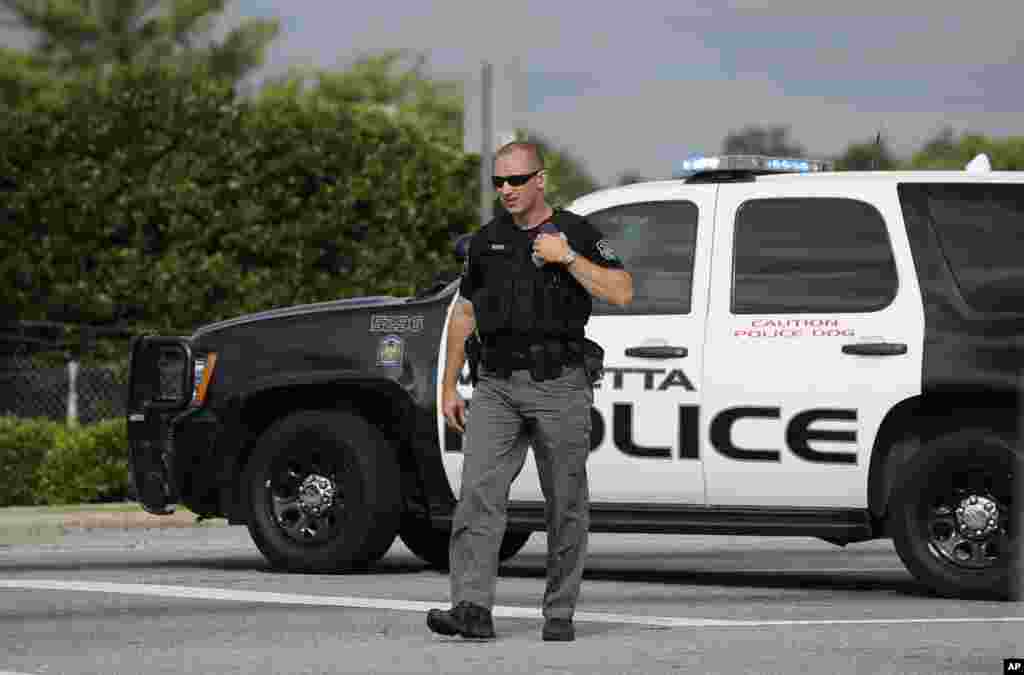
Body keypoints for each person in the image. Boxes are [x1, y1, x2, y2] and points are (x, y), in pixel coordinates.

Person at [427, 141, 633, 642]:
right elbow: (466, 312)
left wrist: (567, 259)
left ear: (540, 179)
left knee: (564, 501)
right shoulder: (486, 240)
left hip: (559, 382)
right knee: (476, 495)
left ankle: (559, 612)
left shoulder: (577, 232)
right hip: (496, 385)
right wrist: (448, 383)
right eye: (498, 182)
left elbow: (622, 290)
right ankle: (471, 607)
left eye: (516, 181)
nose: (506, 191)